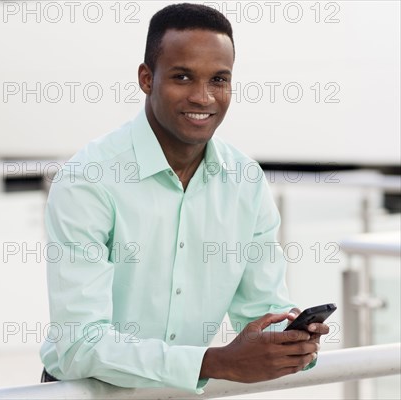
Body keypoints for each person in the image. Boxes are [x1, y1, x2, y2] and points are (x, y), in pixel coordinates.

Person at [39, 3, 329, 394]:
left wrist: (288, 339)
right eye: (182, 77)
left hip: (185, 390)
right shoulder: (89, 179)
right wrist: (215, 362)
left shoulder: (245, 180)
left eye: (219, 80)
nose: (203, 97)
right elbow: (80, 345)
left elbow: (262, 308)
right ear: (146, 78)